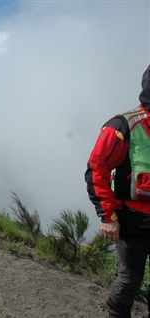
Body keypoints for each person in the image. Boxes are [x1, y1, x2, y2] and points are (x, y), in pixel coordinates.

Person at [85, 64, 150, 318]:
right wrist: (108, 217)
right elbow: (96, 169)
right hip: (132, 220)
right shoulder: (123, 126)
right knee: (127, 284)